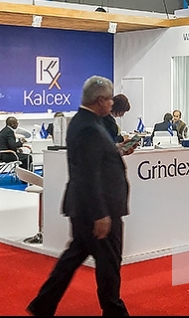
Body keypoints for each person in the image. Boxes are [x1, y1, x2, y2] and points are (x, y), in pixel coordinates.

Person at [27, 75, 136, 316]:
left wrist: (117, 150)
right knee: (108, 264)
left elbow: (94, 161)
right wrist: (100, 214)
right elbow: (88, 173)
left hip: (86, 206)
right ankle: (114, 311)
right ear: (100, 100)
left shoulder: (86, 122)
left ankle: (43, 304)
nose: (112, 104)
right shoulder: (89, 128)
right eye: (109, 99)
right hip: (97, 209)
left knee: (74, 257)